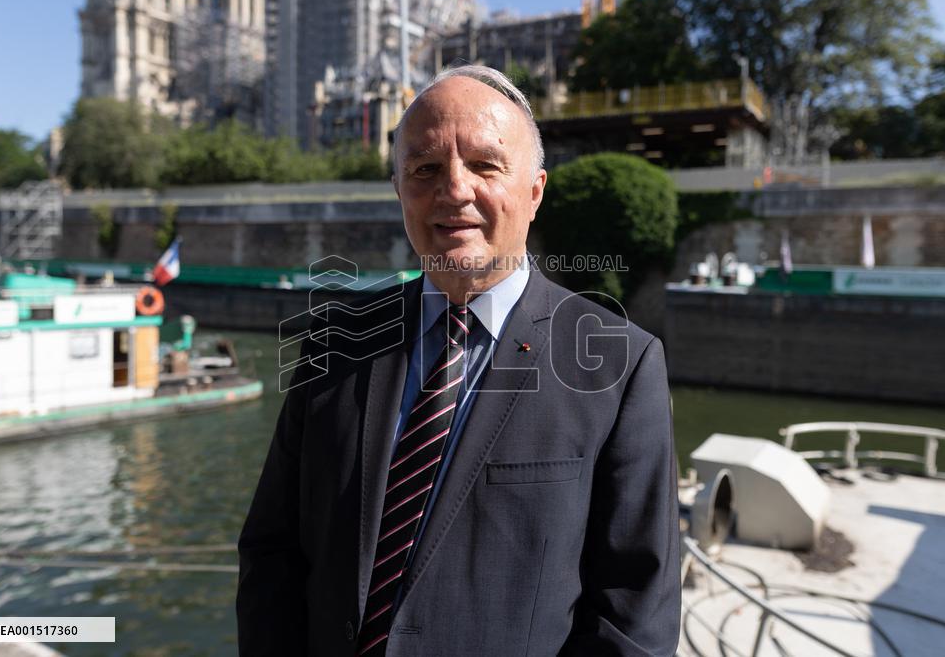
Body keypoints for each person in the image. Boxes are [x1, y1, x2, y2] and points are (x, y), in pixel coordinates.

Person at [237, 65, 680, 656]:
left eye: (485, 165)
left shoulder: (620, 366)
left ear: (535, 192)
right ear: (399, 190)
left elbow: (633, 615)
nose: (454, 190)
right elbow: (273, 555)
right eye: (424, 169)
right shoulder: (333, 341)